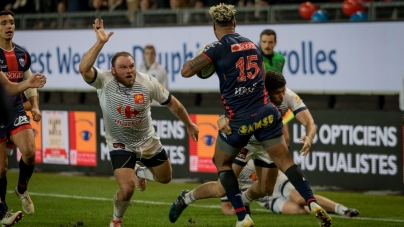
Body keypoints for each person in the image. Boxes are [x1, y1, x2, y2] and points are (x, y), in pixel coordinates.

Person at [168, 4, 331, 227]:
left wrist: (206, 54)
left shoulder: (216, 47)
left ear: (213, 25)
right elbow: (262, 78)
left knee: (221, 163)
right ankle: (311, 201)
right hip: (266, 116)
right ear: (234, 23)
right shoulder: (252, 45)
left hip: (241, 121)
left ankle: (242, 216)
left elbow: (186, 71)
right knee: (286, 162)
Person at [78, 19, 199, 227]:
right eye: (123, 67)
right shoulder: (104, 80)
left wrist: (189, 124)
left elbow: (174, 104)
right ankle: (116, 220)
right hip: (119, 142)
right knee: (127, 190)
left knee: (166, 178)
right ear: (113, 71)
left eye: (132, 66)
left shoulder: (148, 82)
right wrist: (100, 43)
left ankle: (140, 171)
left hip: (147, 140)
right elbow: (83, 68)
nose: (129, 70)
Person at [0, 10, 43, 226]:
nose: (9, 26)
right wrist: (28, 85)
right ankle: (2, 210)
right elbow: (9, 88)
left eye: (12, 22)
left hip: (15, 111)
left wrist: (34, 105)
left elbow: (29, 82)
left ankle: (21, 190)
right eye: (4, 23)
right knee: (1, 169)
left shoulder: (22, 55)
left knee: (30, 153)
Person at [221, 160, 360, 218]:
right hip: (267, 199)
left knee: (301, 200)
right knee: (297, 210)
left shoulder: (246, 156)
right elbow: (226, 207)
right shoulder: (226, 178)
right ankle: (322, 211)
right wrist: (237, 211)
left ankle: (342, 210)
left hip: (276, 182)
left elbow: (271, 160)